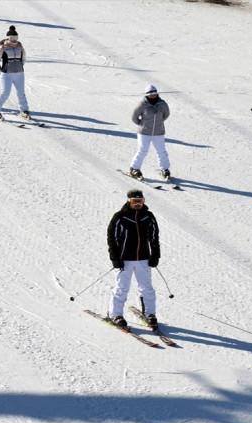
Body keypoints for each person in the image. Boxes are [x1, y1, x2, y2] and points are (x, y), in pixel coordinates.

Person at [107, 189, 161, 330]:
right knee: (122, 288)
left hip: (143, 259)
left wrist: (155, 255)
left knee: (147, 288)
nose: (138, 204)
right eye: (134, 201)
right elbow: (112, 238)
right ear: (128, 201)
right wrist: (114, 257)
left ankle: (150, 313)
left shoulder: (148, 217)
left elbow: (154, 237)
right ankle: (115, 314)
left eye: (140, 201)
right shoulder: (120, 217)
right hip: (125, 259)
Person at [128, 84, 171, 180]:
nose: (153, 95)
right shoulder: (142, 104)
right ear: (147, 95)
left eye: (155, 93)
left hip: (159, 132)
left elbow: (166, 114)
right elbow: (134, 117)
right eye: (151, 94)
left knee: (162, 151)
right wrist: (142, 124)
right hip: (144, 132)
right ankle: (134, 168)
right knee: (142, 150)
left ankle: (165, 169)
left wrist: (159, 123)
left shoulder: (162, 104)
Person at [0, 26, 30, 121]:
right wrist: (2, 73)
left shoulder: (20, 46)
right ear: (8, 37)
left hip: (19, 73)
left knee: (21, 92)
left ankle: (24, 110)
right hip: (7, 74)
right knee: (5, 93)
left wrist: (19, 67)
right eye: (13, 38)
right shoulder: (3, 47)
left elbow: (23, 58)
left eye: (16, 37)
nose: (15, 39)